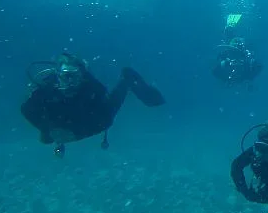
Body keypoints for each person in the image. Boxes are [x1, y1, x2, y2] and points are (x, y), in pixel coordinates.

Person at [21, 53, 165, 157]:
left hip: (91, 116)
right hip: (64, 121)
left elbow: (105, 120)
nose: (70, 82)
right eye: (66, 76)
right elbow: (27, 110)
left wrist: (77, 132)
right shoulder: (46, 88)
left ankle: (127, 78)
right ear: (58, 76)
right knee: (46, 138)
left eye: (74, 76)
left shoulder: (91, 89)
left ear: (81, 77)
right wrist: (48, 128)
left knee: (110, 109)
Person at [212, 13, 262, 86]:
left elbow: (258, 67)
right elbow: (215, 71)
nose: (235, 61)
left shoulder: (248, 65)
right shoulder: (225, 62)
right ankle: (230, 29)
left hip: (243, 70)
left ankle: (230, 29)